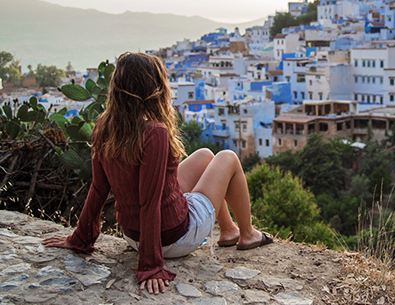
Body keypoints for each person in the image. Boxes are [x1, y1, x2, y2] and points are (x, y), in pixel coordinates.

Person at [43, 53, 272, 295]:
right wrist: (150, 265)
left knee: (205, 155)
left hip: (133, 236)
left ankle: (229, 231)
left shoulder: (103, 125)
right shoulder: (154, 133)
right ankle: (248, 235)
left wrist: (81, 238)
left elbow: (99, 188)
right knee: (228, 157)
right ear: (154, 88)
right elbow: (150, 202)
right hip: (172, 239)